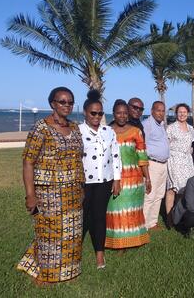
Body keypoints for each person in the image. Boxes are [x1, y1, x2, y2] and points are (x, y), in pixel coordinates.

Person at [17, 87, 84, 284]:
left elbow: (79, 159)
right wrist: (30, 194)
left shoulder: (75, 128)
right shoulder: (41, 128)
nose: (67, 105)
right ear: (52, 103)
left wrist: (82, 187)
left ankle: (69, 272)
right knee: (49, 232)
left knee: (72, 233)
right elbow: (28, 161)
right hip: (49, 192)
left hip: (73, 192)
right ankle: (45, 275)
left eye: (70, 102)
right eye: (62, 101)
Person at [79, 90, 122, 269]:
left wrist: (117, 179)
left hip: (104, 181)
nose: (97, 116)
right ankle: (74, 251)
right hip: (84, 183)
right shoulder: (77, 131)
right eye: (93, 113)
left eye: (100, 113)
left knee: (99, 217)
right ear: (85, 113)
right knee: (81, 218)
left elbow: (116, 155)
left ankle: (99, 255)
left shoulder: (108, 131)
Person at [105, 100, 152, 250]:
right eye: (119, 113)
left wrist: (148, 178)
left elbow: (142, 157)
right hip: (113, 179)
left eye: (125, 113)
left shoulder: (135, 131)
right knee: (116, 211)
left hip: (134, 181)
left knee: (132, 212)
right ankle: (117, 243)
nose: (122, 116)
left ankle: (135, 240)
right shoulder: (106, 131)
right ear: (113, 114)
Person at [164, 103, 194, 228]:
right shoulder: (171, 128)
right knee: (172, 189)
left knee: (184, 190)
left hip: (187, 161)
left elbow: (190, 146)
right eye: (180, 112)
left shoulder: (191, 128)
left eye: (184, 112)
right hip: (174, 160)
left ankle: (178, 216)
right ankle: (169, 218)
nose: (182, 114)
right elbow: (166, 145)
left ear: (187, 114)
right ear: (176, 114)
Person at [142, 101, 170, 230]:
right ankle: (143, 226)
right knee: (149, 195)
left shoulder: (161, 124)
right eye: (158, 110)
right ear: (152, 110)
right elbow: (143, 146)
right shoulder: (147, 124)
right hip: (152, 164)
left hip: (163, 164)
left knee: (159, 195)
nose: (161, 113)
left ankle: (152, 223)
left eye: (163, 111)